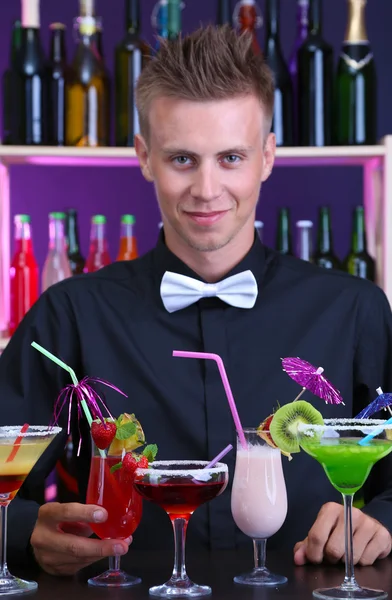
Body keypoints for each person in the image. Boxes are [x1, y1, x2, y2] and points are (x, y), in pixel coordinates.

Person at [1, 25, 392, 577]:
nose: (207, 189)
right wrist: (22, 532)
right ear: (144, 157)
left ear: (268, 156)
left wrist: (383, 521)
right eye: (182, 159)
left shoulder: (355, 311)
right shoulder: (69, 316)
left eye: (230, 157)